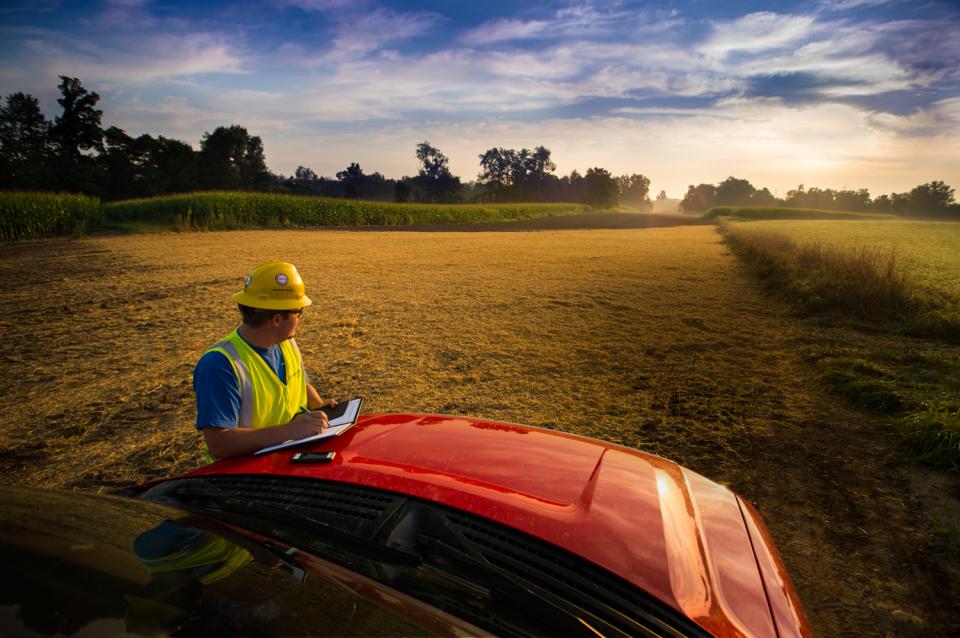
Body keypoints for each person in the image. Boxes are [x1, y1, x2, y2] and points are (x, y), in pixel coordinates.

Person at [193, 261, 335, 461]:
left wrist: (318, 403)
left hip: (289, 457)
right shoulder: (219, 365)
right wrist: (290, 431)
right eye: (299, 312)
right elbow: (219, 443)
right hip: (246, 476)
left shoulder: (286, 343)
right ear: (277, 319)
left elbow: (298, 383)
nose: (300, 318)